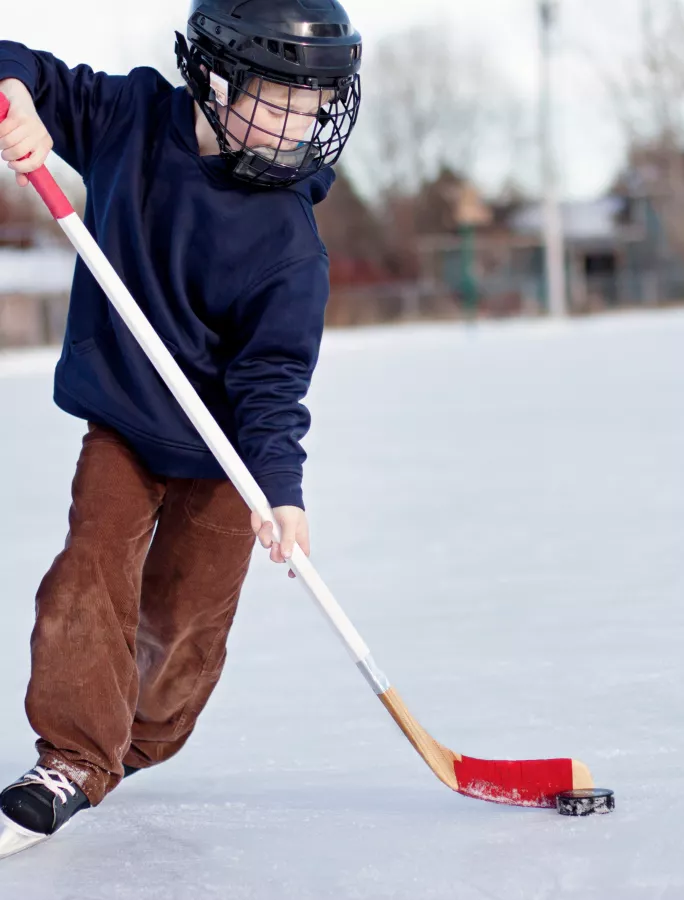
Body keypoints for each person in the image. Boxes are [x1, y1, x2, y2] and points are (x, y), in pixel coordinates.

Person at [0, 0, 361, 845]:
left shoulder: (288, 242)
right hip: (124, 422)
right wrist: (17, 103)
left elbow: (273, 381)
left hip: (227, 457)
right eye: (284, 99)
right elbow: (20, 65)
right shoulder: (128, 120)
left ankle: (132, 741)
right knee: (90, 571)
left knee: (184, 625)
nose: (301, 125)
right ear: (219, 76)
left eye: (315, 105)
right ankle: (74, 756)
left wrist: (281, 490)